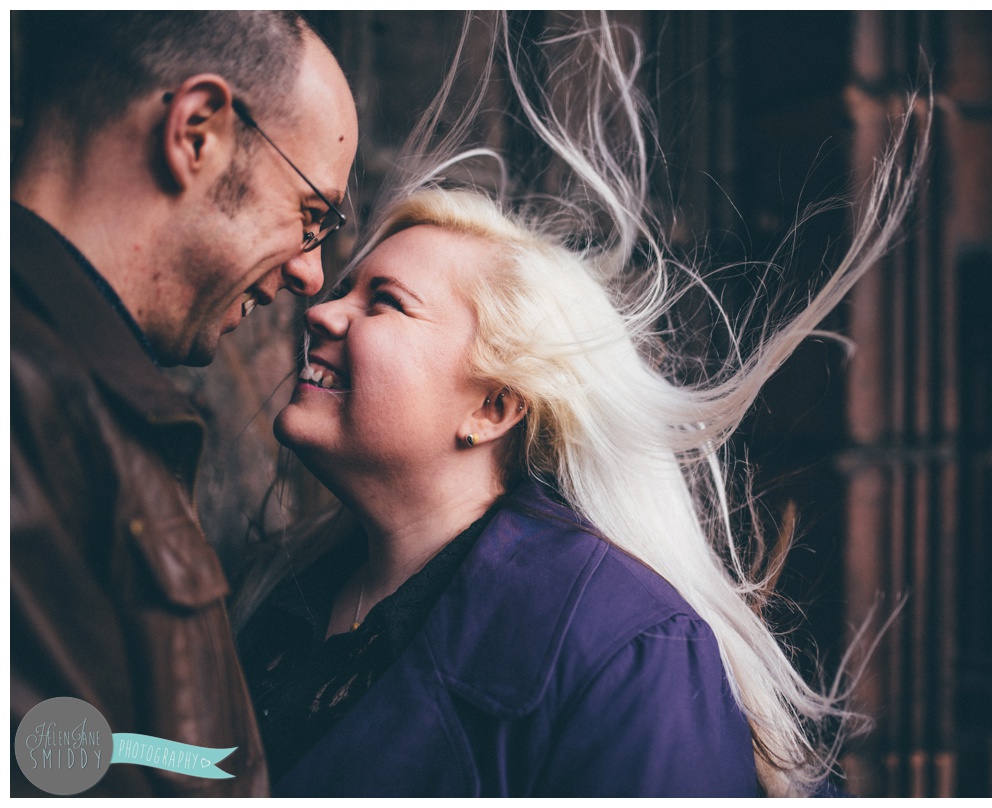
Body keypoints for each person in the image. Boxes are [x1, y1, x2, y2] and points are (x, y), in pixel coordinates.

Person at [235, 13, 924, 797]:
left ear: (492, 407)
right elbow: (219, 771)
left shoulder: (628, 647)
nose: (322, 309)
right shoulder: (287, 601)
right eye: (348, 290)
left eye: (384, 302)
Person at [11, 12, 358, 796]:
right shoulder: (29, 405)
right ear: (196, 131)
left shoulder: (86, 402)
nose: (314, 277)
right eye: (313, 216)